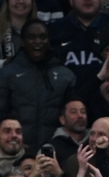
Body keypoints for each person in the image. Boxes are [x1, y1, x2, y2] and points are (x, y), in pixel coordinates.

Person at [0, 19, 76, 151]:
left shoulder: (65, 75)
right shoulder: (8, 73)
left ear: (49, 41)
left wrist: (60, 145)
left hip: (55, 150)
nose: (37, 41)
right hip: (17, 150)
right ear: (23, 41)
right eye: (31, 37)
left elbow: (72, 116)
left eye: (43, 37)